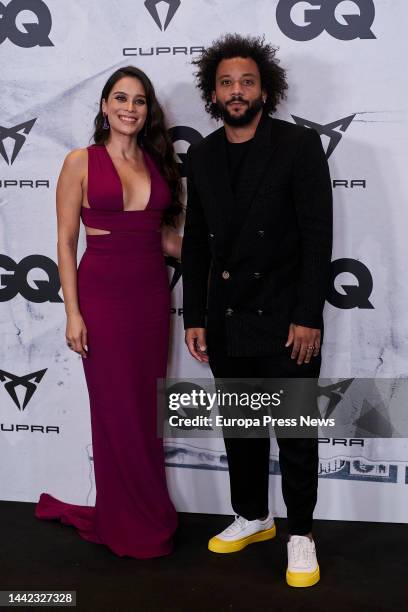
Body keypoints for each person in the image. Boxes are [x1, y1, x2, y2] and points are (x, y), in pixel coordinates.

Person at [181, 34, 332, 586]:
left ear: (265, 88)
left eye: (246, 81)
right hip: (227, 316)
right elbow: (196, 242)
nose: (237, 90)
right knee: (243, 428)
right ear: (213, 92)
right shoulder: (201, 154)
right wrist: (193, 316)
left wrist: (309, 315)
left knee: (293, 433)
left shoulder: (297, 146)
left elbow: (318, 236)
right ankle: (253, 515)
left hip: (288, 317)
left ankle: (301, 534)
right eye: (226, 82)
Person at [35, 66, 182, 558]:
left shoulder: (159, 163)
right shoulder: (81, 161)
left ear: (148, 111)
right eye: (120, 98)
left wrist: (225, 255)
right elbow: (65, 241)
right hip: (102, 299)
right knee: (115, 410)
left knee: (144, 410)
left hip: (150, 297)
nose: (129, 108)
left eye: (139, 101)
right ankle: (125, 521)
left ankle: (149, 511)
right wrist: (72, 313)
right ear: (104, 105)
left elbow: (161, 238)